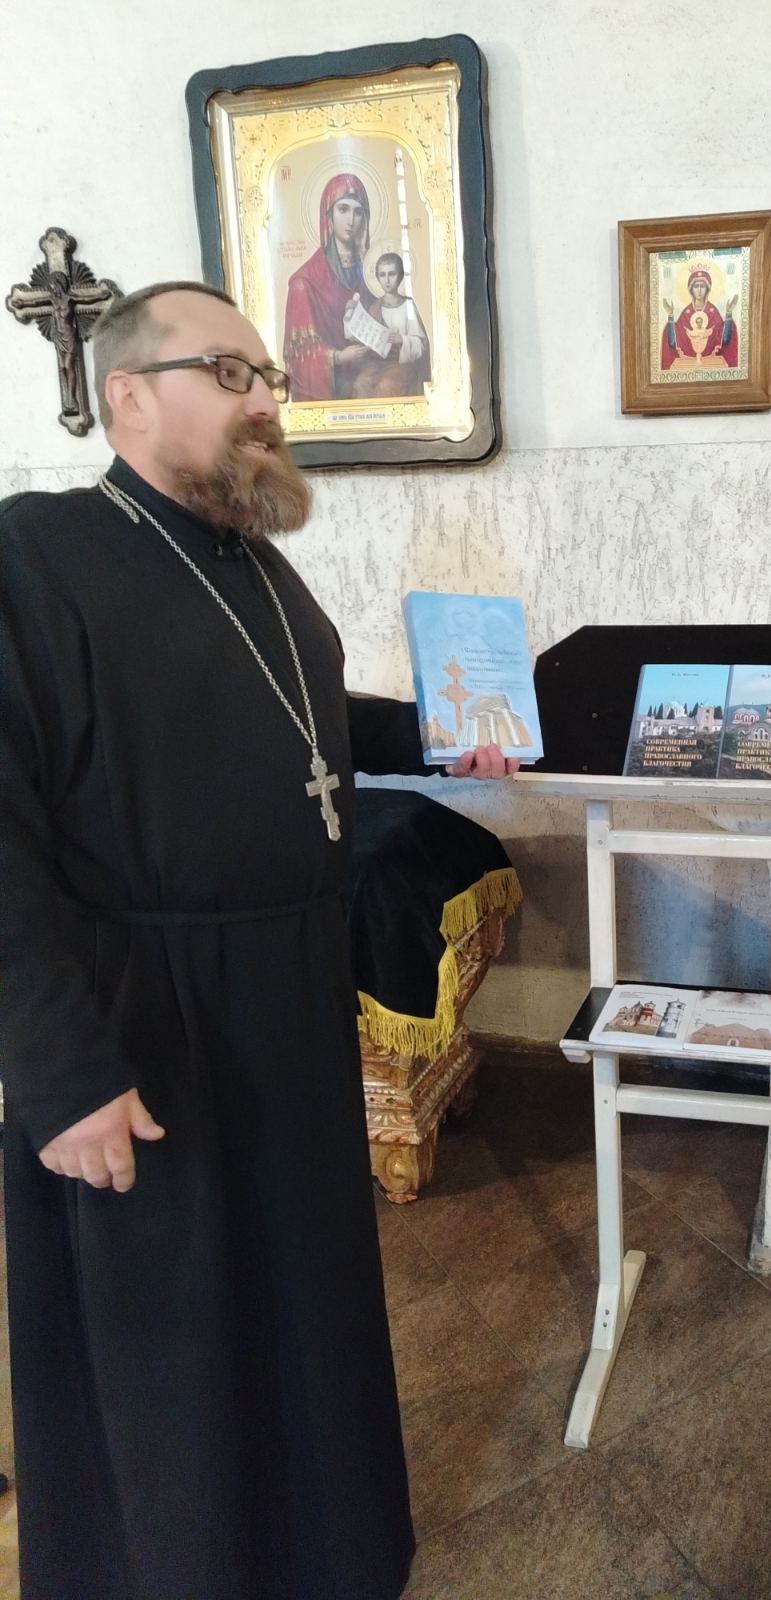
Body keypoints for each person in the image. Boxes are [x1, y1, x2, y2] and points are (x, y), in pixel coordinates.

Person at [0, 280, 518, 1600]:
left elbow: (300, 723)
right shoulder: (37, 554)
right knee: (172, 1343)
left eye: (268, 377)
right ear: (127, 395)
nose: (267, 401)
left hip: (281, 1001)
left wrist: (455, 732)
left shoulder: (248, 560)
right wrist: (59, 1071)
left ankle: (321, 1560)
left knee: (298, 1306)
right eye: (230, 374)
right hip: (144, 1016)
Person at [282, 172, 376, 401]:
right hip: (335, 386)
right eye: (343, 209)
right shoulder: (304, 283)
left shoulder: (374, 274)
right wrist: (337, 358)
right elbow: (299, 355)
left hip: (371, 373)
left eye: (358, 212)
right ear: (329, 216)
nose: (351, 220)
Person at [348, 252, 432, 401]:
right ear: (378, 278)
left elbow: (421, 343)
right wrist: (351, 318)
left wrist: (403, 340)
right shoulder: (375, 307)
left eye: (391, 274)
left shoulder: (408, 307)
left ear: (400, 276)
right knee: (360, 384)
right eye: (382, 275)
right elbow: (365, 336)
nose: (387, 280)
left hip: (401, 364)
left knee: (386, 386)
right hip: (376, 363)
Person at [660, 267, 739, 370]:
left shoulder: (713, 312)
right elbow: (672, 342)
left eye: (702, 286)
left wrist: (729, 313)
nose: (699, 290)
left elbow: (724, 340)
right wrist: (670, 315)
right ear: (691, 289)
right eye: (696, 286)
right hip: (688, 364)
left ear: (707, 289)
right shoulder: (686, 313)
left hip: (710, 362)